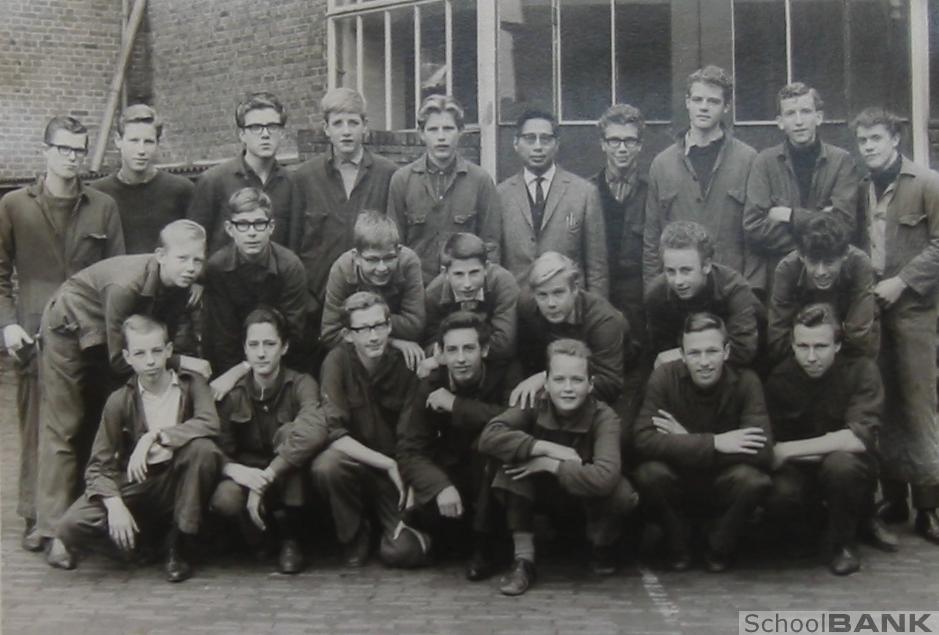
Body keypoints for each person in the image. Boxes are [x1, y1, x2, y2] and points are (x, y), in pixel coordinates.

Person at [35, 220, 210, 546]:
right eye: (183, 259)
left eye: (198, 260)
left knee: (101, 416)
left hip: (108, 335)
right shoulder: (126, 286)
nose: (191, 268)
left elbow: (161, 338)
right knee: (65, 424)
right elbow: (120, 360)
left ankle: (96, 509)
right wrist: (183, 361)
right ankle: (51, 530)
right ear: (161, 255)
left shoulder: (179, 283)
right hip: (69, 327)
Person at [0, 115, 125, 551]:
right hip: (34, 332)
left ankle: (74, 516)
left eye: (78, 150)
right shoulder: (14, 205)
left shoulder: (103, 206)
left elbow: (116, 272)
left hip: (88, 332)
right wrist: (8, 323)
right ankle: (37, 516)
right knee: (39, 423)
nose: (71, 158)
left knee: (85, 422)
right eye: (63, 149)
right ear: (46, 150)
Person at [46, 315, 223, 583]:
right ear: (128, 357)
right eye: (140, 353)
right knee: (71, 525)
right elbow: (98, 465)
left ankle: (178, 545)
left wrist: (154, 437)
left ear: (169, 351)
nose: (150, 361)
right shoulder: (119, 401)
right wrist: (114, 504)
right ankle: (138, 542)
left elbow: (209, 423)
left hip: (180, 478)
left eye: (156, 351)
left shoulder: (191, 383)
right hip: (140, 483)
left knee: (203, 450)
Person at [478, 339, 639, 596]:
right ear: (546, 382)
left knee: (622, 492)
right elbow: (489, 435)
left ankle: (601, 544)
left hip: (583, 497)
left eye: (576, 380)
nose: (567, 388)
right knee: (509, 460)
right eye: (559, 379)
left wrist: (550, 464)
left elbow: (605, 477)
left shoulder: (604, 416)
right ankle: (523, 560)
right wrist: (544, 447)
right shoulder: (533, 402)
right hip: (543, 493)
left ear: (590, 385)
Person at [853, 107, 939, 545]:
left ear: (895, 140)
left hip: (916, 314)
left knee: (918, 406)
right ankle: (895, 497)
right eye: (863, 140)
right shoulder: (861, 188)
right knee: (881, 404)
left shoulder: (926, 184)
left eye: (876, 139)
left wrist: (902, 282)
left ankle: (929, 506)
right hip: (875, 313)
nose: (869, 147)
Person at [633, 313, 773, 572]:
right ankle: (678, 545)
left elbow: (763, 451)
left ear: (727, 351)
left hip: (724, 482)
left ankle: (718, 547)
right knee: (649, 474)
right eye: (695, 353)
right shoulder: (664, 377)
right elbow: (642, 439)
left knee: (753, 481)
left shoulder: (747, 381)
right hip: (680, 480)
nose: (704, 362)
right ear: (682, 355)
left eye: (712, 351)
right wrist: (715, 442)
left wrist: (683, 440)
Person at [397, 312, 523, 581]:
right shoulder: (430, 383)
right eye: (452, 350)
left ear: (485, 349)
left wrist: (456, 405)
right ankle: (455, 538)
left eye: (469, 348)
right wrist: (439, 486)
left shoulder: (506, 373)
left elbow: (515, 418)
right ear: (440, 353)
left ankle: (484, 547)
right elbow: (410, 448)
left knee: (490, 446)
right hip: (451, 476)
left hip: (491, 476)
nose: (461, 358)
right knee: (421, 521)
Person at [764, 304, 887, 576]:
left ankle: (844, 544)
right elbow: (770, 446)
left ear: (837, 346)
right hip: (800, 469)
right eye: (802, 346)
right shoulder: (781, 378)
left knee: (841, 465)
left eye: (820, 346)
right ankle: (806, 529)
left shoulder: (862, 371)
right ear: (792, 345)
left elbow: (857, 440)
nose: (810, 357)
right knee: (778, 492)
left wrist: (789, 450)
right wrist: (791, 452)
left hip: (848, 468)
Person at [312, 292, 430, 568]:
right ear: (348, 334)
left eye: (379, 326)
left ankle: (393, 529)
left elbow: (413, 435)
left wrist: (405, 474)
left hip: (398, 474)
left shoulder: (407, 363)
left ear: (390, 326)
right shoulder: (337, 362)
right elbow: (335, 434)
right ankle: (355, 534)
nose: (374, 336)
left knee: (405, 553)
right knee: (327, 466)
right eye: (363, 329)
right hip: (358, 464)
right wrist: (386, 463)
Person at [210, 308, 328, 574]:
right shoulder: (233, 393)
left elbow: (314, 429)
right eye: (253, 345)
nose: (261, 353)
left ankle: (291, 539)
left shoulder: (301, 383)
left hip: (288, 476)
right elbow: (220, 448)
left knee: (292, 436)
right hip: (248, 476)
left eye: (269, 344)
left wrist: (269, 475)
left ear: (284, 347)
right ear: (245, 350)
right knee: (224, 497)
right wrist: (244, 476)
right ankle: (256, 536)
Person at [292, 87, 397, 334]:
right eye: (338, 123)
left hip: (373, 304)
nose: (346, 131)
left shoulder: (389, 174)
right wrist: (306, 299)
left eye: (353, 122)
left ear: (365, 126)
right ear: (326, 128)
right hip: (317, 304)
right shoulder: (303, 177)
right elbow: (293, 244)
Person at [643, 65, 757, 288]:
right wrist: (654, 289)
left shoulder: (748, 160)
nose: (704, 107)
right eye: (697, 100)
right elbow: (651, 238)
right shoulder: (662, 164)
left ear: (727, 106)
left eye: (713, 101)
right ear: (687, 102)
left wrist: (749, 290)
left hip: (730, 288)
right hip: (678, 289)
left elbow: (754, 237)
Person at [743, 83, 859, 294]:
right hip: (781, 279)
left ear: (819, 117)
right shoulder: (764, 162)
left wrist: (790, 216)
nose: (798, 121)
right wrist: (821, 223)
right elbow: (753, 228)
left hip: (831, 280)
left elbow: (845, 224)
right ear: (780, 122)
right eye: (790, 113)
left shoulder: (842, 161)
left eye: (805, 112)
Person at [202, 188, 309, 395]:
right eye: (242, 224)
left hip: (281, 361)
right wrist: (237, 378)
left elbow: (293, 333)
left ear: (271, 227)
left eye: (259, 224)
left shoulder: (290, 266)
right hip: (232, 364)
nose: (251, 232)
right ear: (229, 229)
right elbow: (222, 337)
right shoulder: (217, 268)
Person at [388, 94, 502, 284]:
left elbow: (491, 245)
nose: (441, 137)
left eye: (448, 129)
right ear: (421, 133)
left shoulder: (480, 180)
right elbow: (394, 245)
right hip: (416, 288)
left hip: (466, 288)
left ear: (461, 131)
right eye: (433, 129)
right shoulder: (402, 180)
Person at [499, 109, 609, 297]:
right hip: (519, 308)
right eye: (530, 139)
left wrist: (595, 312)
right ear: (516, 143)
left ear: (557, 144)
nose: (538, 146)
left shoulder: (584, 193)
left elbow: (596, 267)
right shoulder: (500, 194)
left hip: (570, 307)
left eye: (545, 139)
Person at [187, 92, 302, 254]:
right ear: (242, 134)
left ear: (282, 133)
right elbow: (195, 242)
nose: (265, 134)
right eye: (256, 128)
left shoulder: (292, 182)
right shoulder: (214, 180)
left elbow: (294, 245)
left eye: (272, 127)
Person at [511, 252, 629, 410]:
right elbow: (525, 357)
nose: (551, 303)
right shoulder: (527, 306)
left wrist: (546, 379)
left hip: (617, 380)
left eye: (558, 293)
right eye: (542, 295)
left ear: (575, 290)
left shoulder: (604, 320)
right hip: (559, 381)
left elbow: (611, 383)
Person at [645, 221, 763, 368]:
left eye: (686, 270)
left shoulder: (734, 289)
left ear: (706, 266)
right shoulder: (656, 294)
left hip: (733, 371)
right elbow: (659, 351)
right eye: (670, 271)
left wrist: (685, 355)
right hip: (684, 372)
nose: (678, 281)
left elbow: (743, 350)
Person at [320, 210, 426, 370]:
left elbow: (414, 325)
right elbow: (330, 333)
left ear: (398, 251)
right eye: (372, 260)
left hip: (400, 355)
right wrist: (392, 341)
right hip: (358, 355)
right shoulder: (341, 269)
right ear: (356, 257)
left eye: (389, 258)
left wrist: (360, 323)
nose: (382, 268)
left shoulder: (409, 262)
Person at [767, 214, 877, 363]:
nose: (821, 272)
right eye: (813, 262)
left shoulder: (860, 263)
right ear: (801, 256)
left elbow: (858, 334)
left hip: (848, 354)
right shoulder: (787, 269)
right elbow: (778, 335)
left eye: (829, 262)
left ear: (844, 255)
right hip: (803, 357)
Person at [90, 104, 194, 254]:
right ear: (118, 141)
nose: (141, 150)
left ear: (158, 143)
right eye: (134, 141)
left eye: (148, 142)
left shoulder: (181, 190)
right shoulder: (98, 193)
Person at [591, 103, 647, 339]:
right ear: (603, 144)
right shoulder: (587, 191)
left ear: (640, 145)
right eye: (614, 141)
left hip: (639, 298)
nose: (622, 148)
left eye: (630, 141)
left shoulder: (652, 191)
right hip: (598, 294)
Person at [423, 232, 519, 362]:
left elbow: (504, 344)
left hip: (497, 362)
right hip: (455, 366)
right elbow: (430, 344)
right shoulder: (433, 295)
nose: (467, 284)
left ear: (486, 268)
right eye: (459, 274)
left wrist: (453, 350)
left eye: (474, 273)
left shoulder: (503, 283)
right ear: (445, 273)